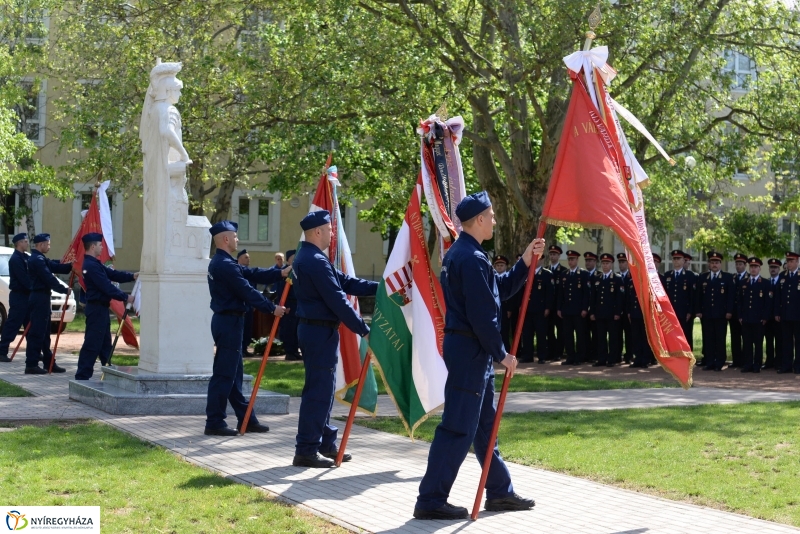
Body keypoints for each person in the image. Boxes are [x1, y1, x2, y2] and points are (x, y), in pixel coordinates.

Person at [414, 191, 542, 520]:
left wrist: (525, 261)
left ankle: (499, 492)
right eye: (493, 215)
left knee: (485, 427)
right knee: (458, 427)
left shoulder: (470, 254)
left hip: (473, 351)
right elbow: (482, 314)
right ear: (480, 220)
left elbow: (495, 290)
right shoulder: (469, 257)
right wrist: (502, 354)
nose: (495, 221)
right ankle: (430, 499)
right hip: (471, 350)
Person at [292, 210, 377, 468]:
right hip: (318, 332)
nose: (332, 233)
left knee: (324, 390)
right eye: (329, 229)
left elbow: (345, 283)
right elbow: (338, 300)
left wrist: (382, 287)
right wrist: (364, 330)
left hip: (317, 331)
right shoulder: (314, 260)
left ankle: (324, 443)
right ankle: (306, 449)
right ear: (318, 231)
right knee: (318, 392)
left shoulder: (310, 257)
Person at [204, 220, 288, 436]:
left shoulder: (225, 262)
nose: (237, 239)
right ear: (225, 239)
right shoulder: (223, 265)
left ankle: (247, 418)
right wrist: (272, 308)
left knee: (234, 376)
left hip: (230, 322)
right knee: (224, 375)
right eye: (234, 236)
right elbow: (247, 291)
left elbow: (254, 274)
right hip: (228, 322)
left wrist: (279, 273)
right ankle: (214, 422)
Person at [74, 233, 137, 380]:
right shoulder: (90, 266)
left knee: (104, 344)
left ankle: (108, 372)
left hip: (101, 309)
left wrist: (132, 276)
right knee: (92, 343)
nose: (102, 247)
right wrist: (126, 297)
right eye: (101, 245)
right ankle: (82, 376)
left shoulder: (95, 263)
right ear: (93, 246)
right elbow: (106, 287)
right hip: (96, 309)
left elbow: (112, 274)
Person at [24, 233, 73, 375]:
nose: (49, 246)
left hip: (43, 298)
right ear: (41, 245)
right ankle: (31, 364)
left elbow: (53, 265)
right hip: (39, 298)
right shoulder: (37, 260)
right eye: (48, 244)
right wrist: (64, 290)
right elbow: (48, 278)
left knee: (45, 333)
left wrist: (70, 266)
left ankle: (49, 362)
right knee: (37, 333)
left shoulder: (40, 258)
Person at [697, 252, 734, 371]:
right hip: (707, 314)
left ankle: (719, 362)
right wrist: (698, 310)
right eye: (712, 262)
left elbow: (730, 297)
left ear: (720, 264)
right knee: (708, 338)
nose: (714, 265)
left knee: (720, 338)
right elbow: (698, 296)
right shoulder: (703, 277)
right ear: (709, 264)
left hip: (721, 314)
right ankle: (709, 361)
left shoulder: (727, 277)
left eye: (717, 263)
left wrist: (729, 311)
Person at [0, 233, 31, 363]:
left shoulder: (25, 257)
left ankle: (33, 352)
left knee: (31, 326)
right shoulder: (15, 259)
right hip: (19, 297)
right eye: (24, 241)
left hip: (27, 296)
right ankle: (2, 351)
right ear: (18, 243)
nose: (27, 243)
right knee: (13, 325)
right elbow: (24, 279)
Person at [557, 250, 590, 365]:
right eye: (569, 259)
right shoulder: (564, 274)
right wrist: (559, 308)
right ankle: (570, 356)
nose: (571, 261)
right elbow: (560, 293)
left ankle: (580, 357)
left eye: (573, 259)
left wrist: (585, 308)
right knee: (567, 335)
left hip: (578, 311)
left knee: (580, 335)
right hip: (567, 310)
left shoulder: (584, 274)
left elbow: (586, 293)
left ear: (577, 260)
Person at [590, 253, 623, 367]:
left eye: (607, 263)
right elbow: (593, 297)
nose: (605, 265)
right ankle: (601, 358)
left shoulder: (617, 279)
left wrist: (617, 312)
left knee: (613, 338)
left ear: (611, 264)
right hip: (600, 313)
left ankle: (612, 359)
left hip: (612, 314)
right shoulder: (597, 278)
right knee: (601, 338)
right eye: (603, 263)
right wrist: (593, 312)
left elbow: (619, 298)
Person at [519, 256, 554, 364]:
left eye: (538, 259)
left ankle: (542, 356)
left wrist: (548, 307)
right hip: (527, 309)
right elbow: (521, 291)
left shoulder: (547, 274)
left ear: (542, 260)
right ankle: (527, 355)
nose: (536, 260)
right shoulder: (526, 273)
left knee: (541, 333)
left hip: (540, 309)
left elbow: (550, 293)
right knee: (527, 334)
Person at [738, 257, 770, 373]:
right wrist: (740, 316)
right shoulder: (743, 283)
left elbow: (767, 302)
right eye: (751, 267)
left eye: (755, 267)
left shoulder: (765, 283)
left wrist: (765, 317)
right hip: (746, 318)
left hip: (759, 319)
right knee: (747, 343)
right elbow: (740, 301)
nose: (753, 269)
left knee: (758, 343)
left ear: (759, 268)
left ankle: (757, 364)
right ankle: (748, 364)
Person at [665, 250, 695, 360]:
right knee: (672, 335)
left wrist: (690, 311)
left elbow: (692, 296)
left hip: (684, 311)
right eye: (674, 259)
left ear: (683, 261)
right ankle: (674, 355)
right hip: (671, 312)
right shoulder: (668, 275)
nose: (676, 261)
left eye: (679, 259)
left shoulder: (689, 275)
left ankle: (686, 356)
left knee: (685, 334)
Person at [774, 251, 800, 374]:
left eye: (791, 261)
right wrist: (777, 312)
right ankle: (786, 365)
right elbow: (778, 296)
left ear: (797, 262)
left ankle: (798, 365)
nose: (789, 263)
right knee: (786, 341)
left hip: (798, 315)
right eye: (788, 261)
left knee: (799, 342)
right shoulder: (783, 276)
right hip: (785, 314)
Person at [276, 249, 301, 361]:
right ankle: (289, 352)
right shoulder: (285, 272)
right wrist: (283, 306)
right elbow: (281, 291)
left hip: (297, 305)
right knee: (289, 330)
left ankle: (295, 351)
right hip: (289, 305)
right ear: (288, 260)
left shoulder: (297, 272)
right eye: (293, 258)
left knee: (296, 330)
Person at [730, 253, 749, 368]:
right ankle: (736, 360)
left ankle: (745, 360)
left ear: (745, 265)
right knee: (735, 337)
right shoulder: (732, 278)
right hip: (734, 313)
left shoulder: (748, 278)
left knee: (745, 338)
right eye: (737, 264)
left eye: (740, 264)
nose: (738, 266)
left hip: (744, 313)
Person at [547, 245, 565, 361]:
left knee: (560, 330)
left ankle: (559, 352)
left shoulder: (563, 271)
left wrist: (560, 307)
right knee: (549, 330)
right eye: (551, 254)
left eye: (555, 254)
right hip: (548, 306)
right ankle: (551, 351)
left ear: (559, 256)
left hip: (559, 306)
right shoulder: (546, 270)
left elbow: (562, 292)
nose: (553, 256)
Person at [764, 258, 782, 370]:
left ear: (779, 269)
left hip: (779, 317)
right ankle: (769, 361)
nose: (773, 269)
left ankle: (779, 362)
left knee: (779, 341)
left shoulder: (782, 282)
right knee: (769, 341)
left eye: (775, 267)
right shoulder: (766, 282)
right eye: (771, 267)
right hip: (768, 317)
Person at [237, 249, 255, 356]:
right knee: (242, 328)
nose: (248, 259)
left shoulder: (249, 272)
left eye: (248, 257)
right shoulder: (238, 271)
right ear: (239, 259)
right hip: (241, 304)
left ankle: (245, 348)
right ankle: (240, 349)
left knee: (248, 328)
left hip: (249, 305)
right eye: (246, 257)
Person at [616, 253, 632, 364]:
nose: (621, 264)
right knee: (617, 335)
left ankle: (629, 355)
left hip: (628, 311)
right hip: (617, 311)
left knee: (629, 334)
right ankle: (617, 355)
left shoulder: (631, 277)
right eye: (620, 262)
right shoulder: (615, 276)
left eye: (623, 262)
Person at [583, 252, 598, 363]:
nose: (588, 263)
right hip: (583, 310)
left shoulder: (599, 275)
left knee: (596, 333)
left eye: (590, 261)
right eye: (586, 261)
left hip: (595, 310)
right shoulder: (583, 275)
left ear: (595, 262)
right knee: (584, 333)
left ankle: (595, 354)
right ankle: (586, 354)